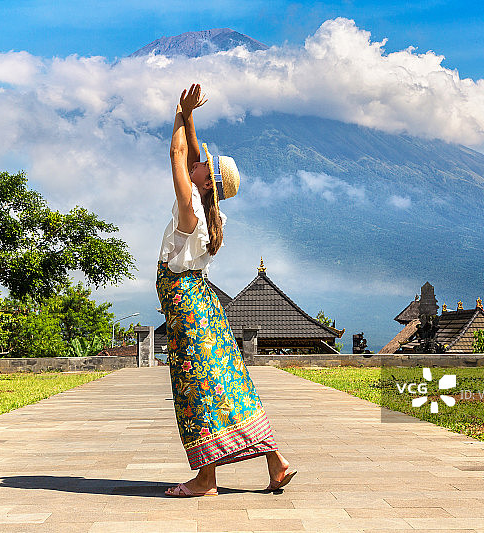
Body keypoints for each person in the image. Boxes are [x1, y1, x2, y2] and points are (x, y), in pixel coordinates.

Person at [156, 84, 296, 497]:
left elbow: (178, 155)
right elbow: (193, 153)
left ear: (204, 182)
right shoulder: (211, 212)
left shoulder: (190, 208)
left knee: (197, 386)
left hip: (187, 310)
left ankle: (205, 479)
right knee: (228, 383)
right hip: (205, 308)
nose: (202, 162)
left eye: (207, 167)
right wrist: (188, 115)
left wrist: (179, 112)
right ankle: (276, 462)